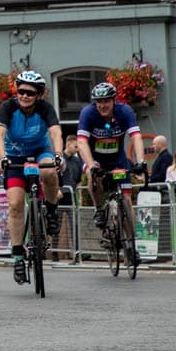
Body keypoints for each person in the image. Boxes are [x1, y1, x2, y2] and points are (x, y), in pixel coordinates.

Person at [0, 70, 63, 285]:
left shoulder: (45, 109)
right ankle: (17, 257)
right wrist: (3, 158)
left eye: (30, 93)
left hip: (40, 151)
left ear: (38, 95)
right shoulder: (8, 107)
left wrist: (59, 154)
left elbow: (56, 133)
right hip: (14, 156)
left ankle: (51, 212)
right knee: (15, 205)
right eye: (21, 91)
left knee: (50, 171)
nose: (24, 96)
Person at [77, 81, 144, 258]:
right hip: (94, 157)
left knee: (127, 201)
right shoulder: (88, 113)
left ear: (114, 100)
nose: (102, 105)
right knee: (94, 175)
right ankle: (99, 209)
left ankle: (131, 245)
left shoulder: (125, 111)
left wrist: (141, 162)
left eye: (106, 101)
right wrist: (91, 165)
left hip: (117, 160)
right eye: (99, 101)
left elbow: (136, 137)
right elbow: (82, 142)